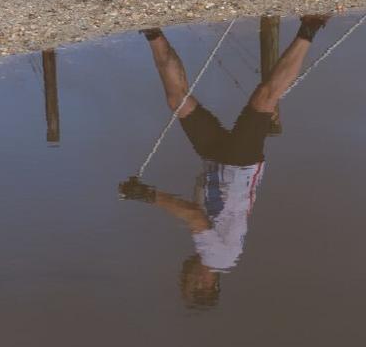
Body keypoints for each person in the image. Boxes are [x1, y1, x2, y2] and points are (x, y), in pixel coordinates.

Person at [119, 16, 329, 308]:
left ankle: (153, 32)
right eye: (188, 285)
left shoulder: (214, 256)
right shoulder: (218, 258)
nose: (182, 278)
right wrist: (149, 195)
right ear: (206, 283)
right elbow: (194, 215)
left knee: (177, 100)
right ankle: (311, 27)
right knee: (266, 96)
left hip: (216, 161)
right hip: (239, 164)